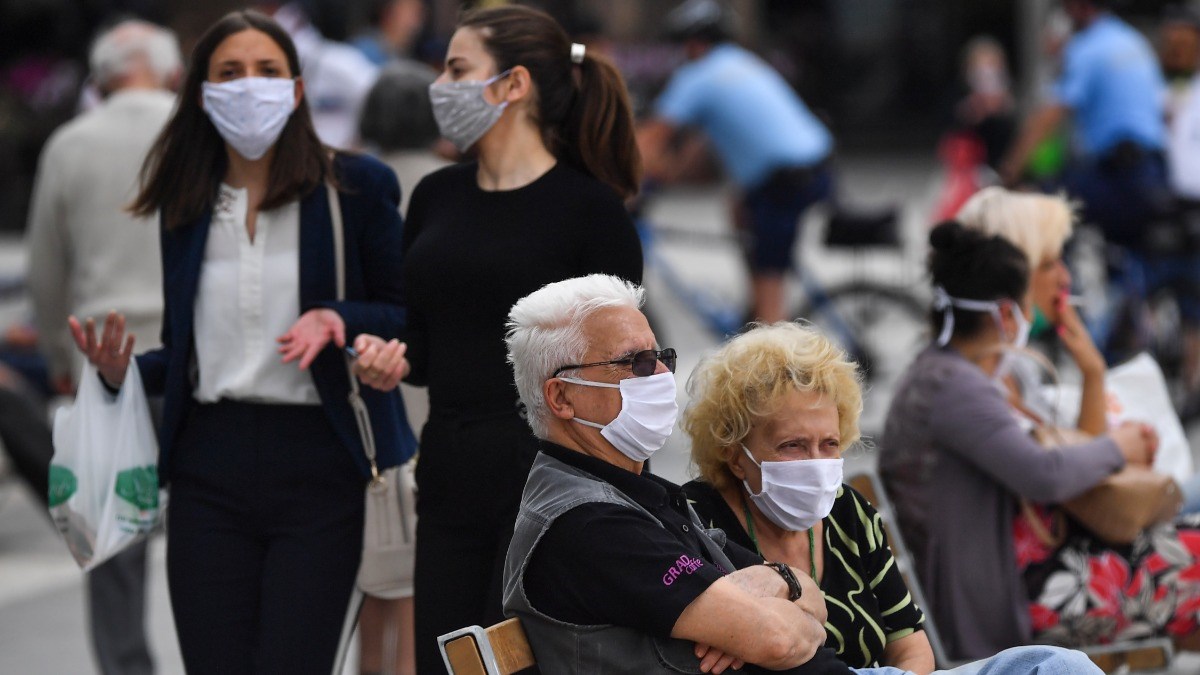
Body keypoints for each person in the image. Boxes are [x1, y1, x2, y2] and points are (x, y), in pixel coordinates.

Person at [481, 272, 1103, 674]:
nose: (661, 376)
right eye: (635, 364)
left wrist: (774, 583)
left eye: (662, 357)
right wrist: (765, 608)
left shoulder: (639, 496)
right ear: (562, 398)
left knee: (1055, 668)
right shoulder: (590, 522)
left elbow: (805, 610)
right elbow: (781, 643)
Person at [67, 10, 417, 673]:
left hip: (320, 464)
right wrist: (122, 371)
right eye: (230, 72)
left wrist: (339, 319)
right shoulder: (187, 203)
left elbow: (405, 316)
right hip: (208, 468)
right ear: (202, 93)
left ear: (297, 89)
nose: (248, 86)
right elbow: (189, 353)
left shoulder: (356, 188)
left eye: (266, 71)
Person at [387, 6, 643, 670]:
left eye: (457, 68)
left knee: (532, 659)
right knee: (447, 659)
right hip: (446, 468)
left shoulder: (591, 210)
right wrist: (383, 354)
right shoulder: (436, 196)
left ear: (513, 84)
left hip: (549, 479)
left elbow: (623, 371)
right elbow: (420, 341)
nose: (440, 84)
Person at [880, 221, 1200, 660]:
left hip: (1037, 574)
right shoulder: (953, 386)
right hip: (1026, 596)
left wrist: (1091, 372)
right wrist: (1119, 447)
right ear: (1005, 313)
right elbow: (1044, 475)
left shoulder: (942, 375)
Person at [25, 20, 183, 675]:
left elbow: (45, 267)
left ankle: (126, 666)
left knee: (112, 545)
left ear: (100, 76)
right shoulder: (191, 128)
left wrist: (62, 365)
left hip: (104, 358)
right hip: (188, 357)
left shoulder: (68, 144)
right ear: (171, 70)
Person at [680, 322, 933, 672]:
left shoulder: (849, 513)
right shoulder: (694, 525)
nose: (815, 463)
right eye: (792, 445)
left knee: (1034, 663)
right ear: (736, 456)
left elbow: (910, 643)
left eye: (829, 444)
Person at [639, 0, 834, 324]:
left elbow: (650, 139)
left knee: (770, 279)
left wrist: (628, 179)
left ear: (695, 43)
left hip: (784, 181)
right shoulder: (742, 62)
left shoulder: (699, 76)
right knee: (739, 210)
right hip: (814, 166)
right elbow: (698, 148)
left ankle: (772, 341)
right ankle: (754, 307)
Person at [999, 0, 1171, 252]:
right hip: (1155, 172)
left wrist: (1010, 171)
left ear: (1081, 8)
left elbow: (1050, 116)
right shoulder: (1134, 40)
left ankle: (1056, 284)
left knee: (1043, 206)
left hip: (1119, 176)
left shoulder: (1086, 48)